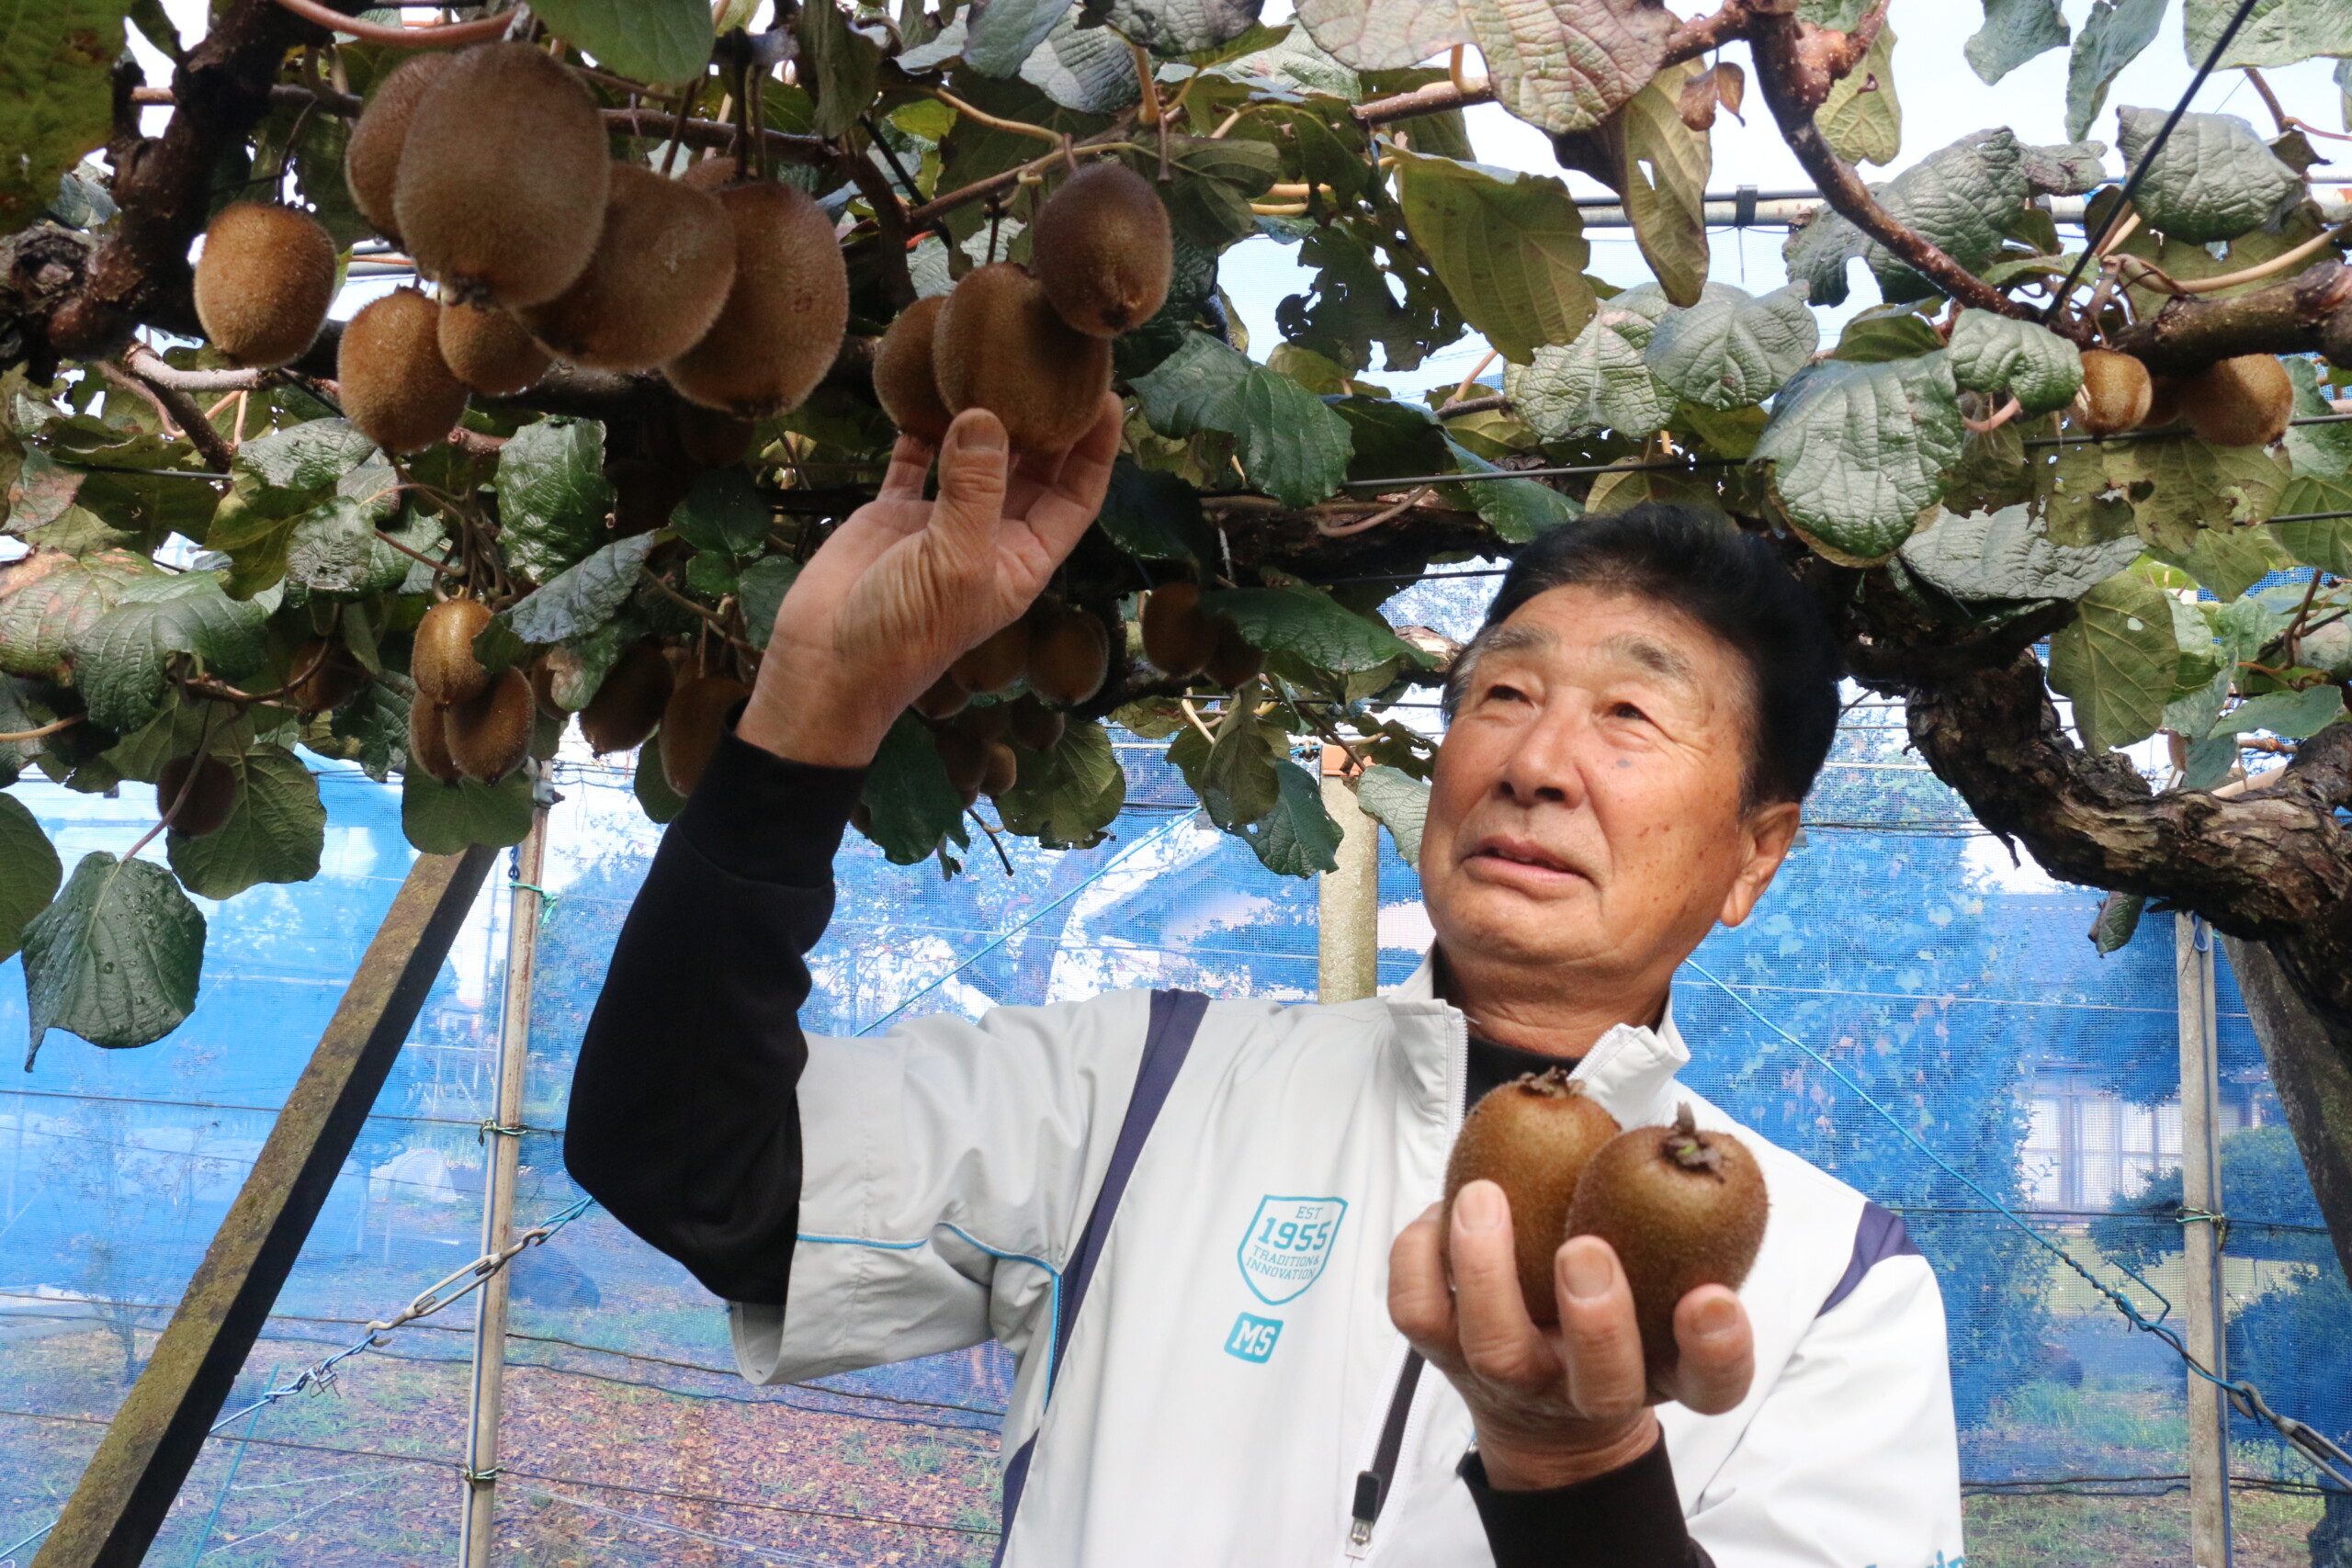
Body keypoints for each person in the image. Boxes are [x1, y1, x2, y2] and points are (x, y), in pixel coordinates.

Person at [565, 400, 1964, 1566]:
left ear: (1756, 853)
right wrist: (816, 705)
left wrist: (1581, 1465)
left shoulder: (1837, 1287)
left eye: (1631, 715)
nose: (1536, 762)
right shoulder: (1138, 1091)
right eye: (1504, 693)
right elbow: (693, 1164)